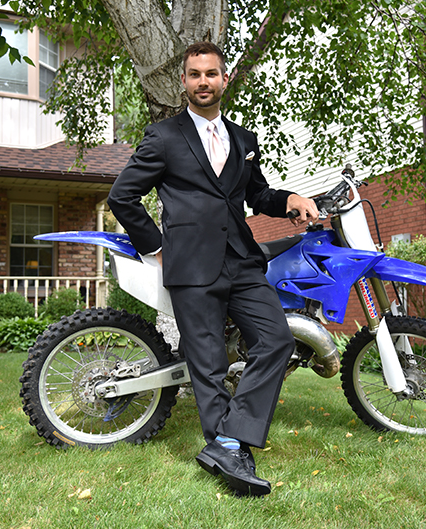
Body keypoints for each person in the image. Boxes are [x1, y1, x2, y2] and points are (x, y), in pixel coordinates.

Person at [107, 41, 318, 496]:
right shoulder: (163, 136)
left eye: (211, 73)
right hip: (190, 266)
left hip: (242, 260)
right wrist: (155, 249)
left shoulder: (244, 140)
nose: (204, 81)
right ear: (184, 81)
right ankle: (228, 446)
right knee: (209, 363)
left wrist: (292, 200)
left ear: (225, 79)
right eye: (195, 74)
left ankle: (229, 439)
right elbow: (121, 196)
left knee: (277, 341)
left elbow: (257, 196)